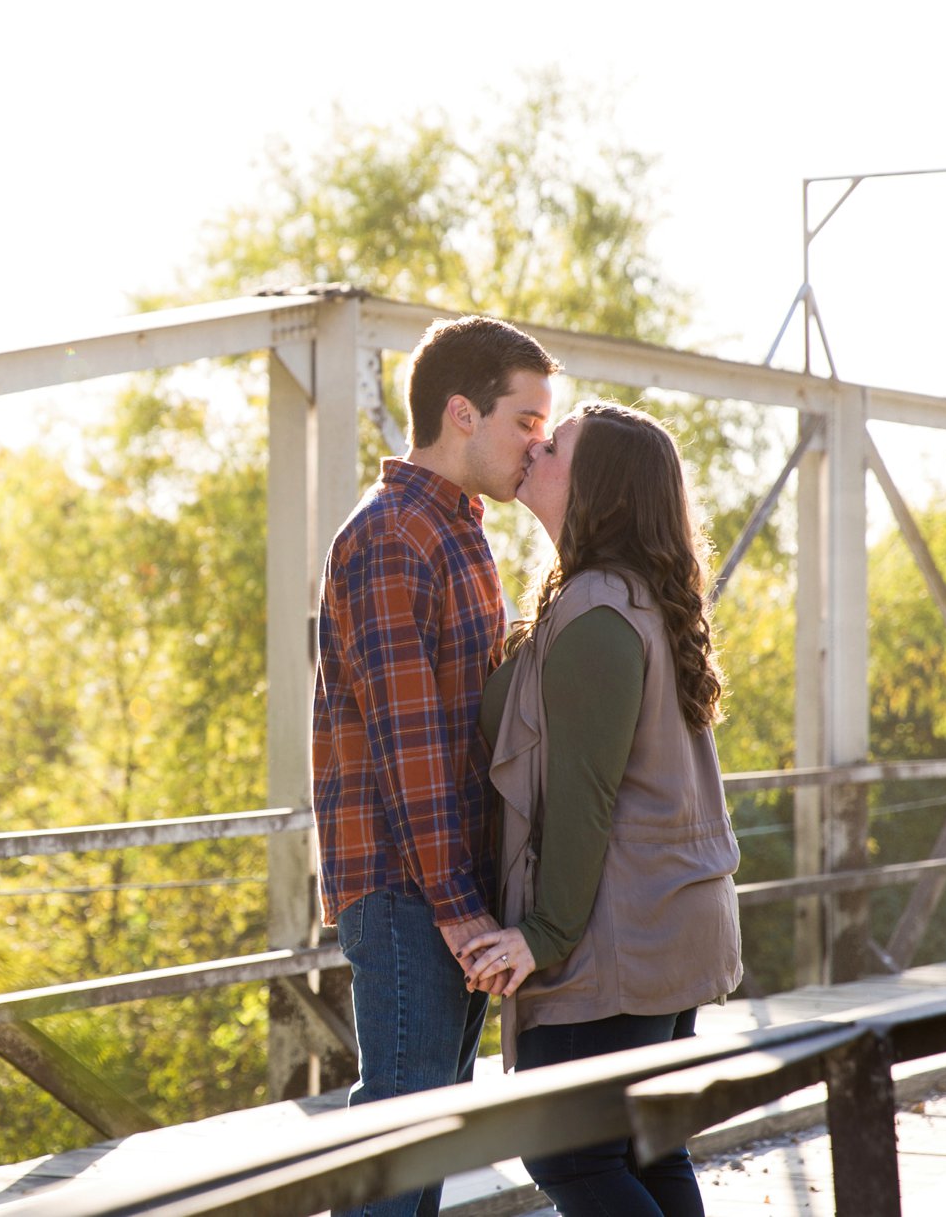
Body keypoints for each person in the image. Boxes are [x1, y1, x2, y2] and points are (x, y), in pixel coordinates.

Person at [458, 401, 743, 1217]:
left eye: (556, 447)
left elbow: (585, 800)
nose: (536, 449)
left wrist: (542, 936)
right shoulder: (615, 597)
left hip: (618, 938)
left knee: (571, 1157)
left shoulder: (596, 614)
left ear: (599, 491)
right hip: (664, 919)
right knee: (645, 1153)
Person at [312, 313, 559, 1217]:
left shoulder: (458, 531)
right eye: (526, 421)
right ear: (462, 412)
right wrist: (460, 914)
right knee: (401, 1142)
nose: (538, 444)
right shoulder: (390, 537)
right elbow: (408, 746)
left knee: (427, 1143)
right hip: (412, 890)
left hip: (448, 889)